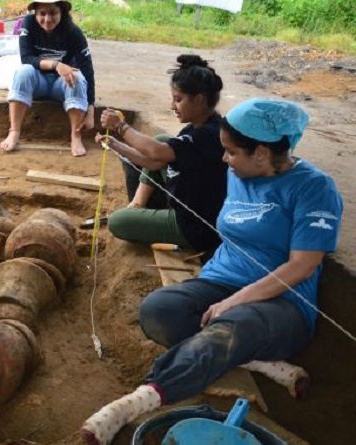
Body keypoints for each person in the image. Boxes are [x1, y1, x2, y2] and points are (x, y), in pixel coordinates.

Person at [80, 99, 343, 445]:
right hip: (221, 281)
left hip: (283, 305)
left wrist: (233, 302)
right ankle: (257, 361)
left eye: (231, 152)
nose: (224, 160)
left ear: (262, 153)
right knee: (158, 310)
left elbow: (302, 265)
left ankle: (137, 401)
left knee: (231, 328)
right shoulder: (239, 172)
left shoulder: (314, 188)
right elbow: (163, 159)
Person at [97, 55, 227, 253]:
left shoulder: (208, 135)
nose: (172, 106)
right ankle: (138, 204)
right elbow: (153, 162)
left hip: (194, 226)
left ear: (199, 99)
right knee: (162, 139)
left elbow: (156, 152)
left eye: (178, 99)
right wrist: (115, 145)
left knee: (118, 222)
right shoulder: (199, 127)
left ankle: (153, 219)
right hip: (188, 201)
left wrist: (120, 126)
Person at [0, 0, 96, 157]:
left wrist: (90, 110)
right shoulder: (28, 24)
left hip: (62, 86)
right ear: (35, 13)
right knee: (23, 72)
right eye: (42, 14)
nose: (47, 19)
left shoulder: (74, 33)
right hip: (38, 82)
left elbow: (87, 70)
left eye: (53, 13)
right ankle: (14, 131)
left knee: (76, 76)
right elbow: (27, 58)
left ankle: (76, 136)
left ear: (62, 12)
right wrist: (56, 65)